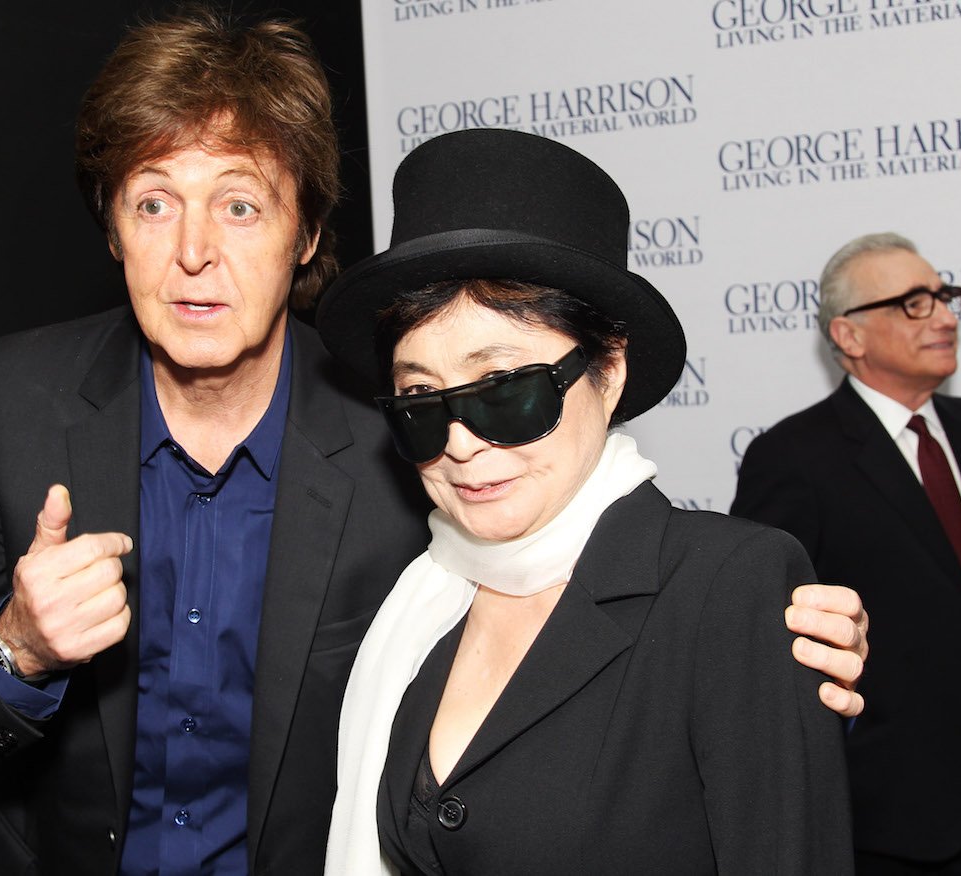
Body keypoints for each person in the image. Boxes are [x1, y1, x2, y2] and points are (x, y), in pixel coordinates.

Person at [0, 7, 866, 875]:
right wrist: (19, 648)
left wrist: (768, 630)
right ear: (111, 230)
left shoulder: (399, 430)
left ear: (307, 232)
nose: (193, 250)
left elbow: (568, 572)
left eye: (239, 202)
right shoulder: (9, 399)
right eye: (152, 203)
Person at [315, 127, 855, 875]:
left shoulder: (730, 589)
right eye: (419, 400)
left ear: (608, 373)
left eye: (505, 389)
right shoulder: (419, 601)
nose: (462, 443)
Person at [731, 232, 961, 874]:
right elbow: (762, 625)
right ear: (849, 336)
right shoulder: (794, 456)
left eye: (944, 297)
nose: (945, 316)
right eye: (915, 303)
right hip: (879, 801)